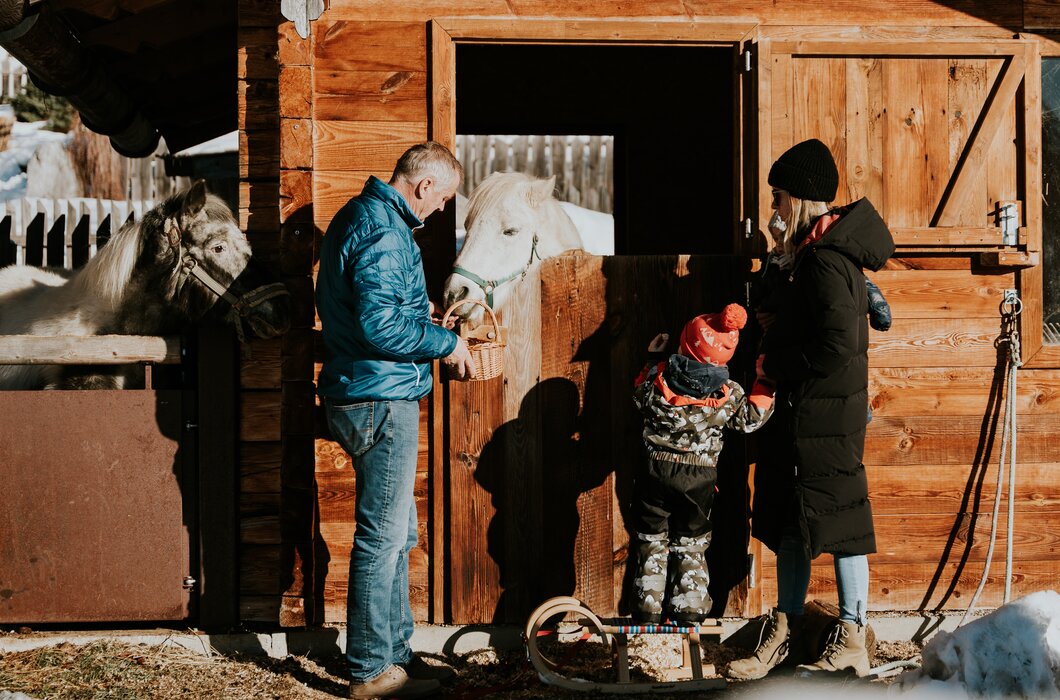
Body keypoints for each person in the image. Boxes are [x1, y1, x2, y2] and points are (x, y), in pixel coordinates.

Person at [728, 138, 895, 680]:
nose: (774, 207)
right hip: (805, 410)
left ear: (799, 198)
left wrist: (776, 363)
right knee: (787, 521)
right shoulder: (804, 258)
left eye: (779, 197)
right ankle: (786, 627)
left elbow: (836, 346)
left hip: (824, 412)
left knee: (839, 519)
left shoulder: (826, 263)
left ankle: (852, 633)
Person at [316, 141, 475, 700]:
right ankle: (368, 671)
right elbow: (382, 329)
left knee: (398, 532)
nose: (439, 210)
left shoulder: (365, 217)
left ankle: (395, 655)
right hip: (379, 397)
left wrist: (423, 314)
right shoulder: (385, 232)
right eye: (444, 198)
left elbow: (377, 312)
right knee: (382, 537)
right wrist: (446, 341)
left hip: (367, 388)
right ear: (424, 184)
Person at [629, 304, 775, 624]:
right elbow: (750, 420)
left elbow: (639, 397)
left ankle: (647, 607)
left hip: (656, 469)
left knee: (652, 538)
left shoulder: (658, 378)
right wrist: (765, 382)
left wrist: (653, 359)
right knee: (691, 542)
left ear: (685, 345)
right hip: (700, 477)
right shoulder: (729, 392)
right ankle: (690, 605)